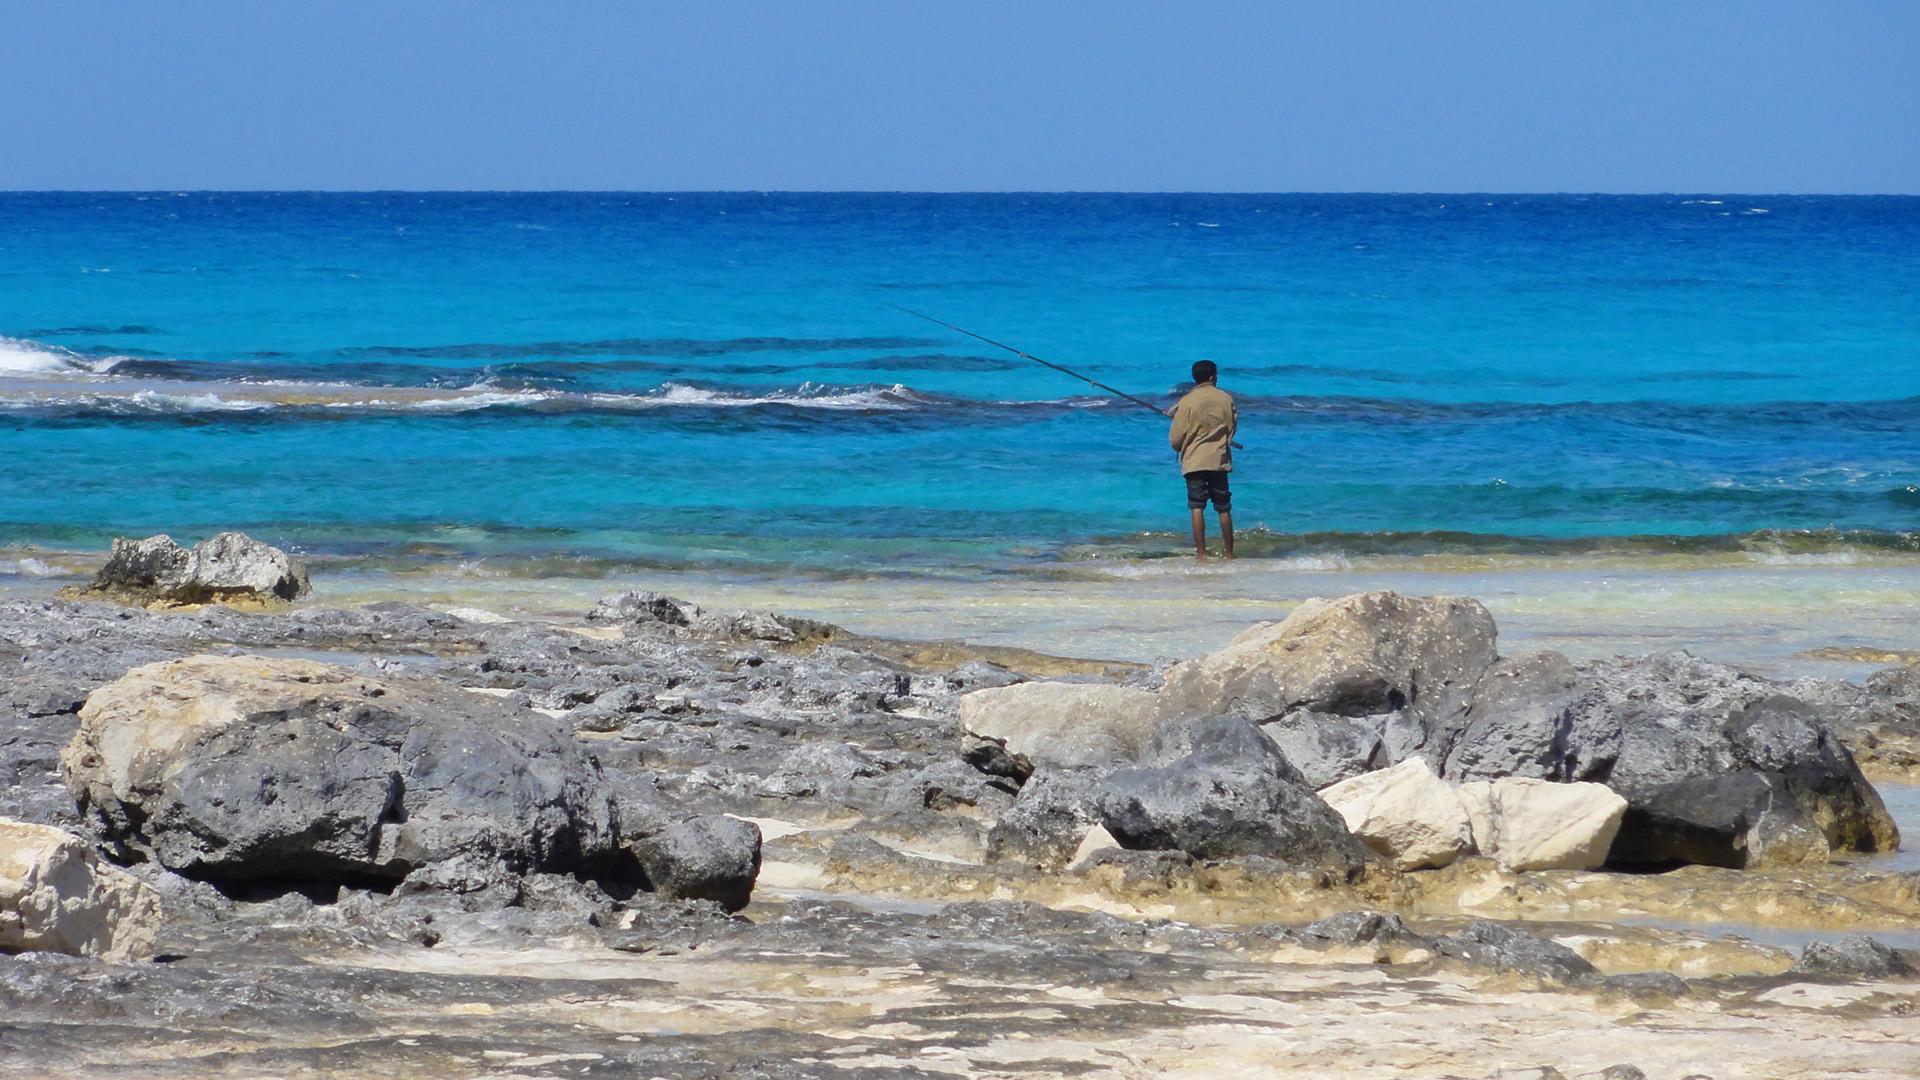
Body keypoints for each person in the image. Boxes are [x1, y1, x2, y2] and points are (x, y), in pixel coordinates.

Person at [1168, 359, 1237, 560]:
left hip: (1194, 462)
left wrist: (1183, 444)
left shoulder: (1186, 401)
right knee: (1223, 507)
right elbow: (1231, 427)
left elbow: (1175, 438)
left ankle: (1201, 555)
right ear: (1212, 376)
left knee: (1197, 506)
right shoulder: (1225, 398)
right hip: (1218, 460)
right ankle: (1230, 554)